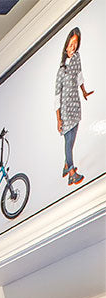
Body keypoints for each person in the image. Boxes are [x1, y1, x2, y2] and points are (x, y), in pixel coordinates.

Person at [56, 26, 94, 187]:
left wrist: (84, 92)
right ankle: (71, 172)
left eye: (75, 45)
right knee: (68, 140)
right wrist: (58, 119)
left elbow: (79, 76)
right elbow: (57, 97)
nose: (73, 48)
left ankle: (66, 165)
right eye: (71, 45)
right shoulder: (61, 70)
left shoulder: (77, 58)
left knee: (73, 139)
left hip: (75, 105)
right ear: (66, 47)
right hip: (65, 109)